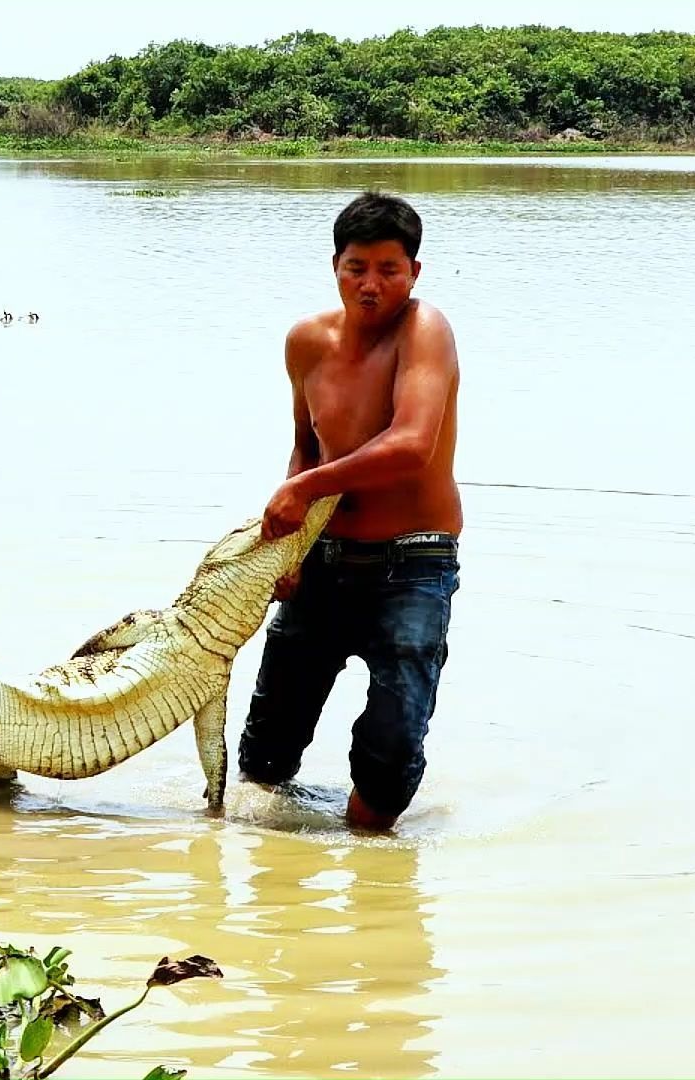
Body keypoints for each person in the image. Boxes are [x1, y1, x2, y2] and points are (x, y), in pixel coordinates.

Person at [242, 191, 463, 832]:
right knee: (265, 755)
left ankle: (372, 857)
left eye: (389, 270)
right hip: (325, 560)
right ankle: (274, 884)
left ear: (414, 272)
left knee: (392, 752)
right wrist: (287, 551)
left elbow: (411, 445)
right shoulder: (306, 343)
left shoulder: (425, 330)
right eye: (357, 267)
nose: (371, 285)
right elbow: (304, 448)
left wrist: (306, 489)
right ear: (335, 265)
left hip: (413, 563)